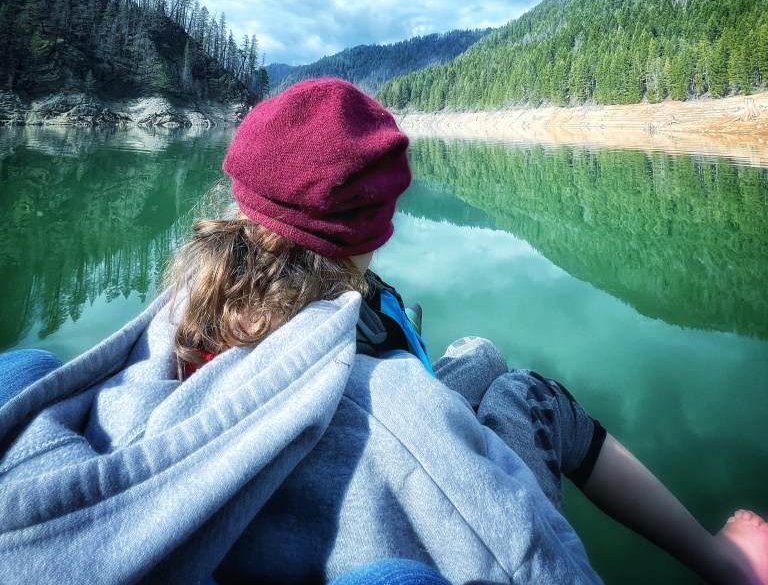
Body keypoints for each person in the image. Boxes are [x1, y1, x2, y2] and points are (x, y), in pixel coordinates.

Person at [0, 78, 766, 585]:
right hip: (377, 470)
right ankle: (727, 564)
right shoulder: (398, 408)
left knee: (478, 355)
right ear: (373, 229)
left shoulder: (185, 300)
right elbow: (526, 555)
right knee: (531, 395)